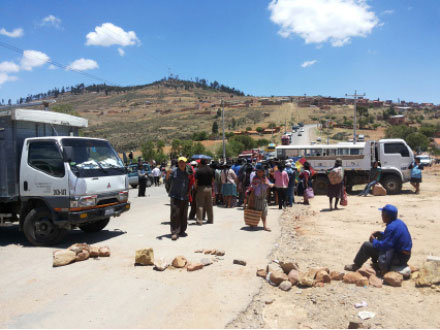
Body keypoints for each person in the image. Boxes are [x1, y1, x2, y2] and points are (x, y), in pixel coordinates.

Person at [344, 204, 412, 275]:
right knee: (379, 239)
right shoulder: (399, 222)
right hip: (405, 256)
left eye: (382, 214)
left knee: (367, 245)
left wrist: (373, 240)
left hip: (399, 258)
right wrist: (381, 234)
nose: (381, 216)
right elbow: (393, 237)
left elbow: (384, 246)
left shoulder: (391, 227)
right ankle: (376, 264)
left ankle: (357, 266)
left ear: (387, 216)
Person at [167, 157, 194, 240]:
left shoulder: (188, 172)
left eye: (183, 162)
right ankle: (175, 232)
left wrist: (189, 192)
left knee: (183, 214)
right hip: (175, 196)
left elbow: (191, 182)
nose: (182, 164)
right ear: (178, 163)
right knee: (175, 214)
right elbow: (167, 180)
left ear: (186, 163)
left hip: (185, 196)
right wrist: (167, 173)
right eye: (180, 162)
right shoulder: (173, 171)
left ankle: (182, 231)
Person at [246, 163, 274, 231]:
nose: (260, 173)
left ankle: (265, 226)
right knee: (255, 212)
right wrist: (250, 198)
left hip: (263, 198)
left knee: (264, 212)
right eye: (258, 171)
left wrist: (267, 183)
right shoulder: (255, 178)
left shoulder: (265, 178)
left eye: (261, 171)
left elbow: (271, 185)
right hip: (256, 198)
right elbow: (252, 188)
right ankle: (252, 223)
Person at [195, 158, 214, 225]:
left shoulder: (199, 171)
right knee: (209, 204)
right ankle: (210, 220)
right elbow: (212, 180)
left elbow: (196, 181)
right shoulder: (211, 170)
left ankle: (199, 221)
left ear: (200, 163)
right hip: (209, 188)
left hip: (201, 188)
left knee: (200, 204)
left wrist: (195, 188)